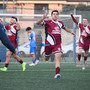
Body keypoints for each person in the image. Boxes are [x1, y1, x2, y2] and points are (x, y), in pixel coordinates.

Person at [36, 10, 76, 78]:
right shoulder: (47, 22)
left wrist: (71, 32)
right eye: (53, 14)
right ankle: (44, 53)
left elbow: (65, 28)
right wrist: (43, 18)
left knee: (58, 56)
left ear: (58, 16)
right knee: (46, 58)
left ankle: (57, 73)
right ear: (51, 16)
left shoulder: (60, 23)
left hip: (57, 44)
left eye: (56, 14)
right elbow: (37, 23)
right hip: (48, 44)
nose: (55, 15)